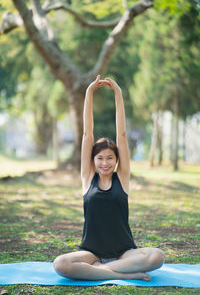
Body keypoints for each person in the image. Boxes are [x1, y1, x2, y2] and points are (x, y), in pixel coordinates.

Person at [53, 75, 165, 281]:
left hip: (124, 252)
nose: (105, 163)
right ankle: (128, 275)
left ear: (116, 160)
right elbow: (88, 134)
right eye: (100, 158)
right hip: (91, 253)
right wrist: (89, 93)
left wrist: (118, 93)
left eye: (110, 158)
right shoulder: (88, 178)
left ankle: (105, 270)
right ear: (92, 160)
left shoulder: (122, 179)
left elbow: (121, 135)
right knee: (60, 264)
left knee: (157, 256)